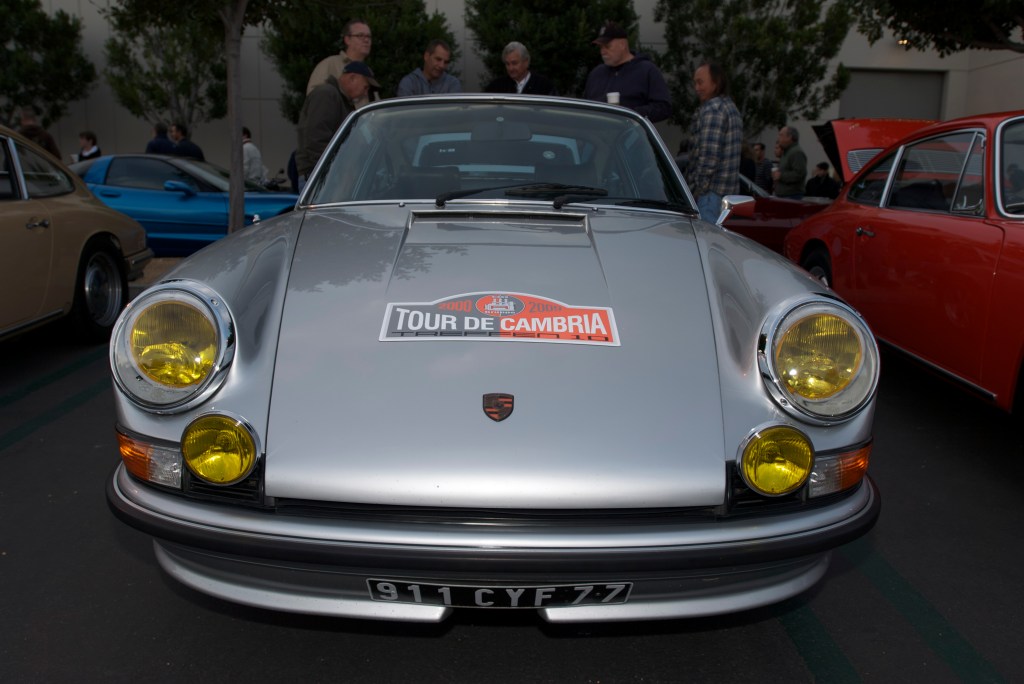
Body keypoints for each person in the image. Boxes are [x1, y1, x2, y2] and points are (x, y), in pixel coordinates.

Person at [296, 61, 379, 186]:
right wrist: (335, 171)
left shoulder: (338, 99)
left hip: (323, 176)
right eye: (365, 87)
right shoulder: (327, 94)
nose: (365, 93)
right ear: (352, 77)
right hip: (320, 178)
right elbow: (316, 139)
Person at [685, 62, 743, 223]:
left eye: (700, 82)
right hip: (726, 194)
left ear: (716, 82)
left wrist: (698, 190)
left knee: (706, 243)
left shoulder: (713, 109)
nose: (696, 88)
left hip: (710, 195)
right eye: (695, 82)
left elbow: (709, 156)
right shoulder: (730, 107)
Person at [582, 22, 671, 123]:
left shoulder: (646, 70)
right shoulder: (596, 74)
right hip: (596, 135)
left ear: (622, 45)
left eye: (607, 46)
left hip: (632, 136)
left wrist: (630, 115)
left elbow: (663, 107)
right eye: (601, 47)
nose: (603, 51)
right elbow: (585, 108)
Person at [305, 19, 379, 109]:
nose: (366, 40)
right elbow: (315, 99)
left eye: (369, 36)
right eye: (360, 35)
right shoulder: (330, 64)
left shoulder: (368, 71)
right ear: (347, 39)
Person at [484, 42, 556, 95]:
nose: (510, 68)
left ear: (526, 62)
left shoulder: (543, 85)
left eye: (514, 63)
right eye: (507, 64)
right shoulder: (497, 86)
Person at [397, 40, 461, 96]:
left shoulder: (452, 84)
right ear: (426, 56)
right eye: (438, 59)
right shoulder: (409, 83)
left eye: (446, 62)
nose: (442, 65)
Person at [772, 125, 807, 199]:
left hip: (791, 196)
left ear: (789, 137)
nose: (778, 138)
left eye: (781, 135)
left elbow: (799, 174)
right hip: (784, 195)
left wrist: (781, 176)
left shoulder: (796, 152)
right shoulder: (786, 152)